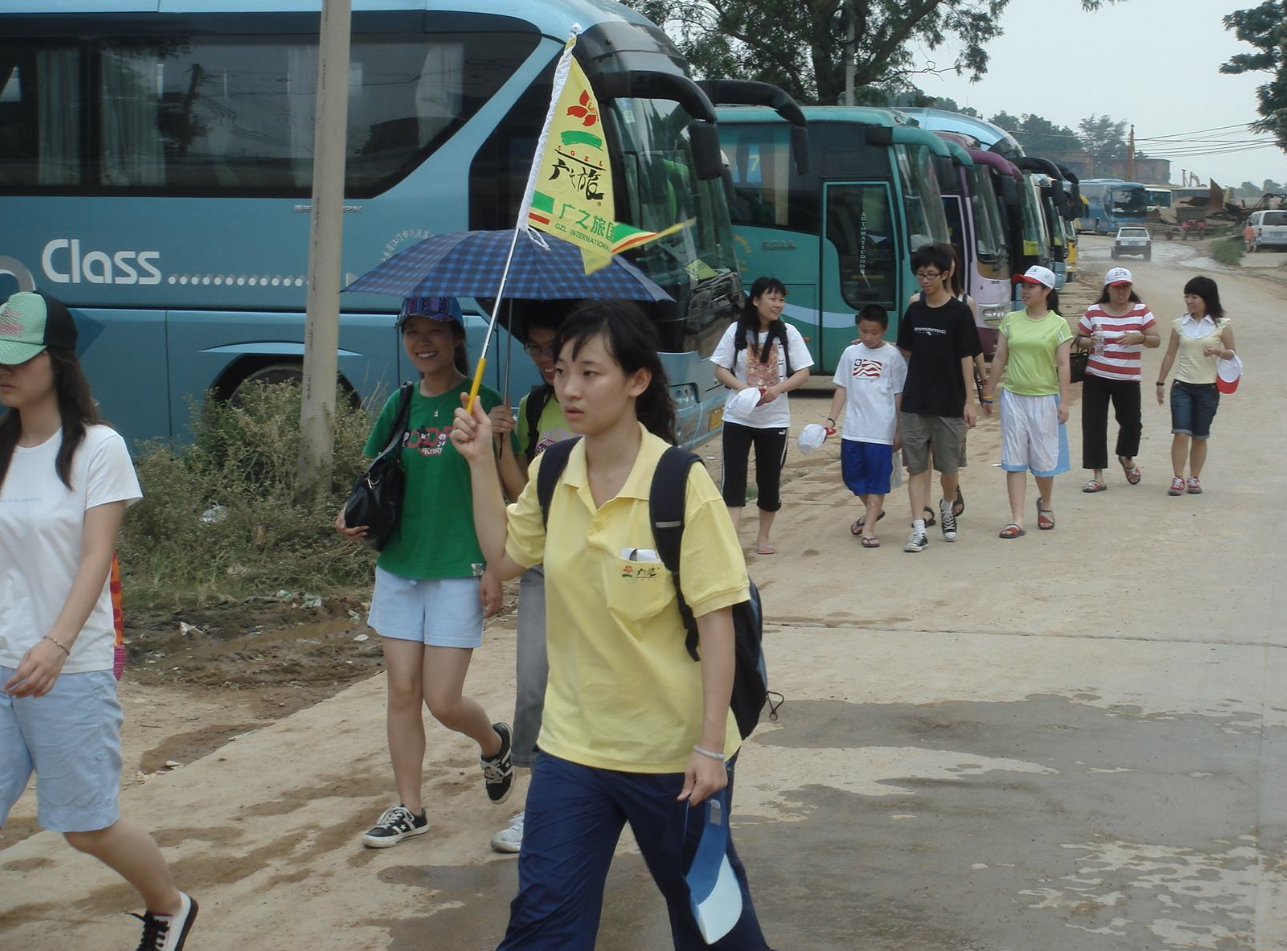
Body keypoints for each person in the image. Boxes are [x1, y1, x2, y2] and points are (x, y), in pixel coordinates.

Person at [451, 301, 773, 950]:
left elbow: (717, 621)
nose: (568, 388)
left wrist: (711, 746)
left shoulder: (680, 484)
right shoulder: (552, 472)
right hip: (573, 748)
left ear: (636, 381)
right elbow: (504, 557)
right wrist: (481, 460)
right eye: (561, 370)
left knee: (711, 924)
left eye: (590, 372)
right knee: (543, 922)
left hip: (675, 754)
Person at [0, 291, 198, 951]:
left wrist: (56, 645)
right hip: (2, 660)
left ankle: (170, 904)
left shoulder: (97, 447)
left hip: (69, 669)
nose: (4, 370)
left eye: (18, 357)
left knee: (84, 827)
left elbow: (95, 557)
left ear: (58, 360)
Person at [335, 295, 514, 848]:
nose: (422, 342)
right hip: (399, 566)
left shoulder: (484, 403)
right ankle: (410, 808)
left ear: (457, 337)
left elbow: (509, 492)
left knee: (443, 700)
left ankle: (494, 744)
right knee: (402, 690)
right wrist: (352, 511)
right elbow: (378, 473)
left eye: (435, 330)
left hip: (460, 567)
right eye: (412, 331)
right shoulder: (402, 402)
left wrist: (494, 568)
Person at [486, 310, 575, 855]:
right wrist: (499, 445)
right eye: (535, 350)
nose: (545, 360)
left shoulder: (603, 403)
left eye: (553, 348)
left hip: (600, 567)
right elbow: (524, 496)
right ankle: (540, 804)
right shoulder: (535, 406)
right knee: (535, 683)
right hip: (543, 564)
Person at [712, 277, 813, 555]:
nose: (778, 304)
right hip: (738, 418)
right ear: (756, 300)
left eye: (782, 299)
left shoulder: (788, 333)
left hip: (774, 421)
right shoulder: (736, 330)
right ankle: (732, 539)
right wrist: (744, 390)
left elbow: (803, 372)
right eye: (773, 298)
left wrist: (778, 389)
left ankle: (763, 537)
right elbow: (720, 369)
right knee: (733, 480)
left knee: (769, 481)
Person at [896, 244, 982, 552]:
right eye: (920, 274)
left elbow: (966, 357)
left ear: (945, 274)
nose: (925, 280)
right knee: (916, 467)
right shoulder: (914, 310)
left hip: (949, 402)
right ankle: (919, 528)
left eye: (931, 274)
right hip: (915, 401)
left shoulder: (959, 312)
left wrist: (969, 401)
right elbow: (904, 349)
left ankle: (947, 504)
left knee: (949, 468)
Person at [981, 266, 1073, 538]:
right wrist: (988, 392)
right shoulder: (1011, 320)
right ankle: (1017, 519)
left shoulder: (1058, 324)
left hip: (1045, 399)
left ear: (1046, 291)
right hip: (1014, 398)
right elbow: (1000, 358)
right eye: (1024, 285)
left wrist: (1064, 401)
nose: (1025, 290)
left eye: (1032, 286)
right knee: (1014, 459)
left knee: (1043, 462)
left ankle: (1046, 504)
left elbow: (1064, 364)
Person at [826, 305, 907, 549]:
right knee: (852, 478)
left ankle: (869, 529)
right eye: (863, 331)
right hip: (854, 429)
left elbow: (899, 394)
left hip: (881, 431)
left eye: (874, 332)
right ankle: (874, 511)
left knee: (877, 482)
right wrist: (831, 419)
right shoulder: (850, 353)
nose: (868, 337)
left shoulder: (893, 356)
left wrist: (899, 429)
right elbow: (842, 387)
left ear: (885, 330)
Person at [1074, 267, 1160, 492]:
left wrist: (1140, 337)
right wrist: (1089, 342)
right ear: (1108, 289)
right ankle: (1097, 476)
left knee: (1132, 424)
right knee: (1094, 424)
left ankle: (1126, 457)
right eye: (1117, 287)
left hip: (1128, 378)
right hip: (1096, 377)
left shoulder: (1141, 311)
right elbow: (1078, 338)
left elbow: (1156, 340)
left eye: (1125, 287)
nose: (1121, 291)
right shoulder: (1094, 311)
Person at [1154, 276, 1236, 496]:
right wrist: (1160, 382)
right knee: (1180, 432)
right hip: (1182, 385)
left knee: (1200, 435)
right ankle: (1178, 477)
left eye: (1194, 297)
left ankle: (1194, 477)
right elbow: (1170, 354)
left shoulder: (1222, 324)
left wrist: (1217, 351)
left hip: (1208, 388)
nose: (1189, 301)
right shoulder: (1179, 324)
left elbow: (1232, 354)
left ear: (1207, 298)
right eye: (1187, 297)